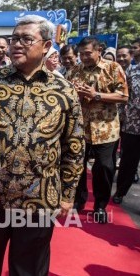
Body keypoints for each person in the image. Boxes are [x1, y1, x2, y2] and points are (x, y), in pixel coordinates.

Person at [0, 15, 85, 276]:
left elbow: (75, 146)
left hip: (40, 196)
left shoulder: (64, 90)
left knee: (29, 268)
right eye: (14, 39)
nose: (17, 44)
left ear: (46, 46)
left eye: (26, 39)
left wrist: (68, 194)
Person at [67, 37, 128, 223]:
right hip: (80, 129)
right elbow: (68, 95)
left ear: (98, 50)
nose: (84, 57)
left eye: (88, 53)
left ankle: (100, 206)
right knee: (78, 167)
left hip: (106, 128)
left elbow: (123, 96)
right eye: (81, 54)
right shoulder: (75, 70)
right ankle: (79, 201)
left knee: (104, 168)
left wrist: (97, 95)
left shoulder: (113, 68)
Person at [113, 51, 140, 204]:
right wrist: (121, 119)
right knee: (128, 162)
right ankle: (121, 192)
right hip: (132, 126)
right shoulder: (132, 72)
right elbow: (124, 96)